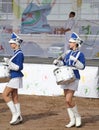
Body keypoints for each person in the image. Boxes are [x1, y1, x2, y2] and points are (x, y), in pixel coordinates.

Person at [53, 32, 85, 128]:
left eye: (71, 42)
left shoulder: (80, 54)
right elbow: (63, 63)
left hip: (74, 77)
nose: (69, 43)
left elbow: (82, 67)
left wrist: (75, 60)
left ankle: (78, 117)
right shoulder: (67, 53)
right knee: (67, 101)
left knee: (68, 99)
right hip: (65, 77)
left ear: (76, 43)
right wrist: (57, 62)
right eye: (69, 42)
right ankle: (72, 120)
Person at [2, 32, 24, 125]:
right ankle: (18, 116)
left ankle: (15, 114)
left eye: (12, 43)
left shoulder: (19, 54)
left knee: (5, 95)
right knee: (14, 96)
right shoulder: (16, 53)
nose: (10, 44)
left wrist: (9, 63)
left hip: (15, 76)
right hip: (14, 76)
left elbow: (19, 67)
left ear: (16, 43)